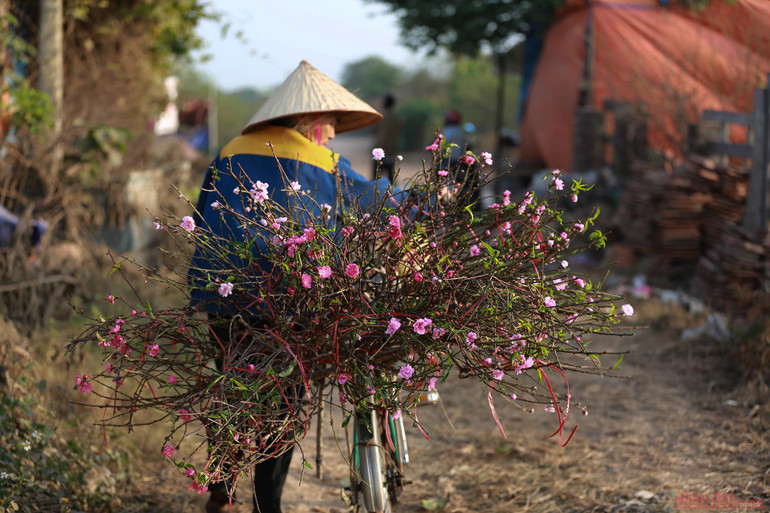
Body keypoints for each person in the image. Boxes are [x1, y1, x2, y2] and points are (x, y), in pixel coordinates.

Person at [189, 60, 397, 513]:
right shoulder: (319, 160)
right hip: (284, 298)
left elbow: (203, 214)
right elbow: (378, 205)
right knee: (282, 402)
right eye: (330, 124)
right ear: (310, 120)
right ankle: (269, 507)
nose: (332, 134)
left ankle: (221, 491)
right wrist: (427, 202)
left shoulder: (230, 150)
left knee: (234, 386)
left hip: (220, 291)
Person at [372, 93, 402, 183]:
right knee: (392, 180)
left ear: (384, 104)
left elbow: (374, 130)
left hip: (379, 150)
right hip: (392, 151)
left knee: (375, 180)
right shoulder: (397, 118)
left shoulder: (380, 117)